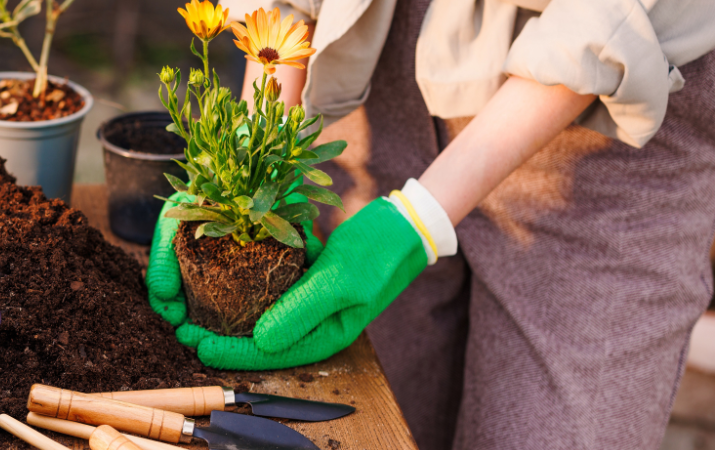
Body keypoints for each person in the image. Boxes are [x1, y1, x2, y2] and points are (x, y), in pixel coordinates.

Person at [144, 0, 715, 448]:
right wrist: (255, 147)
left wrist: (416, 220)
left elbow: (613, 21)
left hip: (605, 123)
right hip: (376, 63)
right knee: (377, 421)